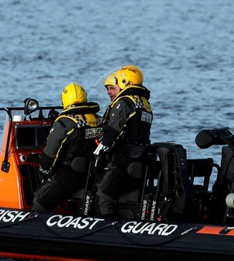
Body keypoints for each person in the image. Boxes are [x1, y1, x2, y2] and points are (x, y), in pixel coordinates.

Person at [31, 83, 101, 212]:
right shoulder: (97, 119)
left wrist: (43, 171)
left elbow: (51, 153)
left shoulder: (65, 122)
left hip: (68, 175)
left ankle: (35, 225)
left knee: (40, 199)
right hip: (92, 175)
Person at [94, 65, 153, 217]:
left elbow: (113, 131)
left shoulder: (124, 102)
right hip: (137, 156)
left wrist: (99, 153)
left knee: (103, 194)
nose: (109, 92)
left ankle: (105, 228)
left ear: (125, 82)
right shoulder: (144, 104)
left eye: (113, 87)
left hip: (122, 157)